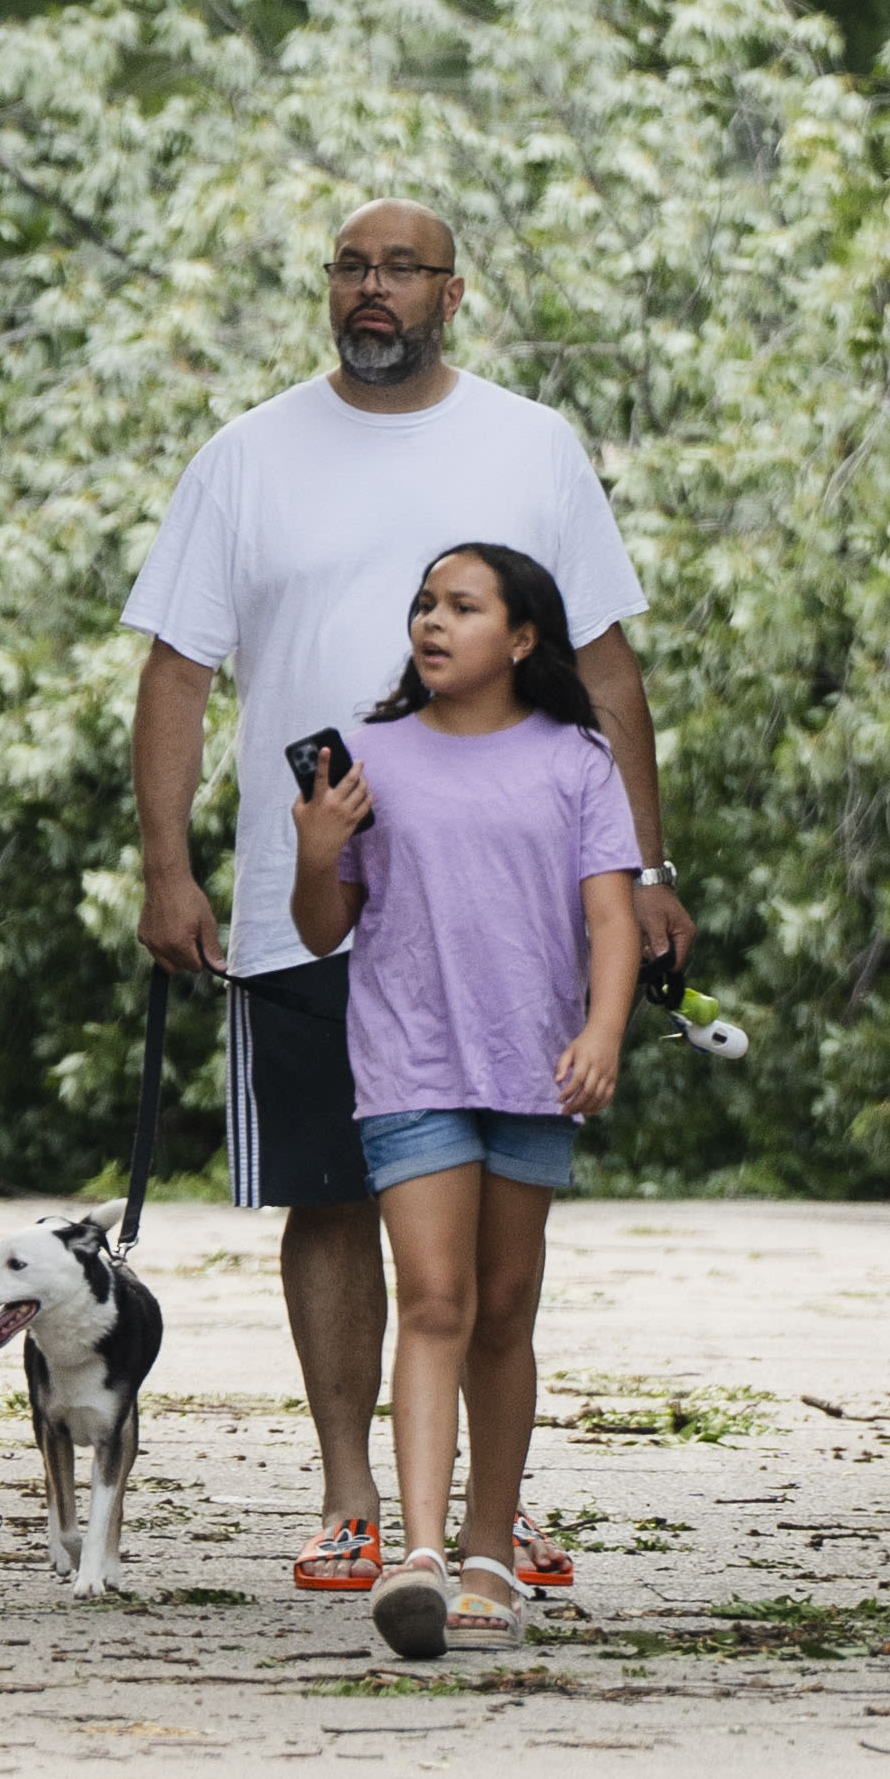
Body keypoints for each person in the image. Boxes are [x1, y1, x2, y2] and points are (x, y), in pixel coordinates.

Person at [125, 200, 688, 1602]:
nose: (373, 293)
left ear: (453, 292)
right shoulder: (247, 456)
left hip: (502, 898)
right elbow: (179, 674)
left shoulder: (530, 446)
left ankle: (487, 1511)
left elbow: (607, 669)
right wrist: (166, 865)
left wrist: (650, 872)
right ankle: (352, 1501)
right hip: (305, 892)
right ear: (330, 289)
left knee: (497, 1228)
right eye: (352, 269)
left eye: (401, 272)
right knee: (327, 1194)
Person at [288, 542, 644, 1662]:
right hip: (410, 1065)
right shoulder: (370, 759)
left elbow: (611, 920)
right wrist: (315, 851)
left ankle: (493, 1548)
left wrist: (601, 1031)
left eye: (461, 607)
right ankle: (423, 1557)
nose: (431, 624)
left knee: (502, 1306)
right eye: (422, 606)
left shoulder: (575, 761)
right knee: (432, 1300)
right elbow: (319, 931)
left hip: (534, 1070)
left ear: (522, 637)